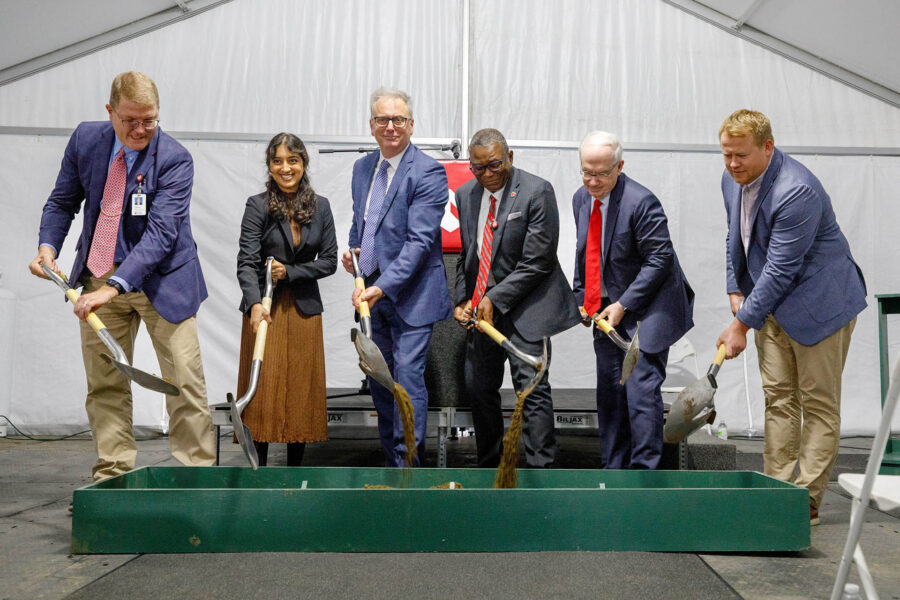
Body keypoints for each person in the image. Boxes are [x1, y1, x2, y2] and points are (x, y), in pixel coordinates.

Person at [27, 71, 216, 480]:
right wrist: (48, 248)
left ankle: (197, 480)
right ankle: (112, 478)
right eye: (130, 120)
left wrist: (113, 288)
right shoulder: (85, 140)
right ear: (110, 112)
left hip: (164, 280)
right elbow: (62, 202)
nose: (141, 129)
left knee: (184, 381)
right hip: (98, 272)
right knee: (106, 382)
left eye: (150, 120)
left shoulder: (175, 158)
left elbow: (161, 235)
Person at [716, 109, 866, 524]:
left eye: (741, 155)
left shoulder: (796, 190)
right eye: (726, 154)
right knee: (778, 399)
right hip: (772, 304)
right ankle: (778, 492)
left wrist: (741, 322)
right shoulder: (734, 180)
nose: (732, 164)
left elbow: (782, 268)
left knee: (817, 404)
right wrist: (735, 288)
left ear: (768, 147)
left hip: (820, 305)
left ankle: (805, 502)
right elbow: (734, 233)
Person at [453, 128, 581, 468]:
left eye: (495, 165)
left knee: (531, 391)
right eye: (478, 168)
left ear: (510, 157)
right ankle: (490, 468)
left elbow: (537, 261)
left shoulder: (537, 191)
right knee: (479, 391)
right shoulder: (466, 194)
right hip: (482, 315)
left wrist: (493, 298)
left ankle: (542, 469)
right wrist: (463, 299)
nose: (488, 174)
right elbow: (468, 255)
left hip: (528, 310)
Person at [341, 87, 452, 467]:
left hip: (411, 299)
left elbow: (419, 244)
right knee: (380, 384)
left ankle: (408, 470)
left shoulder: (429, 172)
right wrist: (355, 255)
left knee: (406, 383)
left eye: (399, 120)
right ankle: (391, 465)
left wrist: (381, 287)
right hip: (371, 297)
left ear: (411, 125)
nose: (391, 127)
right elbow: (364, 223)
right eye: (383, 120)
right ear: (371, 125)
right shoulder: (362, 168)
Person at [573, 131, 694, 470]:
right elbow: (586, 253)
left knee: (640, 394)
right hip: (607, 310)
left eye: (601, 174)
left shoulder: (642, 202)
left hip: (651, 306)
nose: (592, 181)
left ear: (620, 167)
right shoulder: (580, 199)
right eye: (586, 172)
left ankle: (644, 478)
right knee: (610, 397)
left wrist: (623, 304)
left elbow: (660, 261)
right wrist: (583, 296)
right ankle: (614, 474)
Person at [236, 133, 337, 466]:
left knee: (300, 397)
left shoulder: (321, 206)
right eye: (277, 161)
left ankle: (295, 472)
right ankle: (259, 471)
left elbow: (330, 260)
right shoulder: (257, 204)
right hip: (264, 310)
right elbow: (246, 261)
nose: (285, 168)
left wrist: (289, 273)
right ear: (269, 165)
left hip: (305, 312)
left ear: (303, 163)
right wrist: (254, 304)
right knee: (262, 393)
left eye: (292, 160)